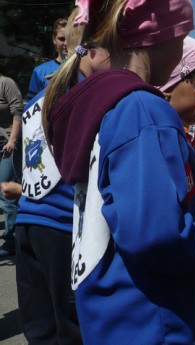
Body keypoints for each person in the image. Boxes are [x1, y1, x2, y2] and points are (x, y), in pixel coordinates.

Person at [43, 1, 195, 344]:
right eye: (183, 34)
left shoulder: (108, 104)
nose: (184, 44)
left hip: (114, 313)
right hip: (153, 318)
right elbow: (159, 236)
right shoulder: (144, 110)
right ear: (158, 34)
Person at [14, 6, 111, 343]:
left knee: (40, 328)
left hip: (29, 222)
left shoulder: (46, 92)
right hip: (65, 227)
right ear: (98, 48)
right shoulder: (96, 98)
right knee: (71, 328)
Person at [0, 72, 23, 257]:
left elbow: (18, 111)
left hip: (7, 143)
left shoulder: (6, 83)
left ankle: (11, 240)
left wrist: (13, 141)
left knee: (5, 190)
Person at [26, 17, 68, 102]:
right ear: (54, 39)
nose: (66, 43)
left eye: (70, 38)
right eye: (62, 39)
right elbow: (31, 104)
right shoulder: (40, 71)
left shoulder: (83, 68)